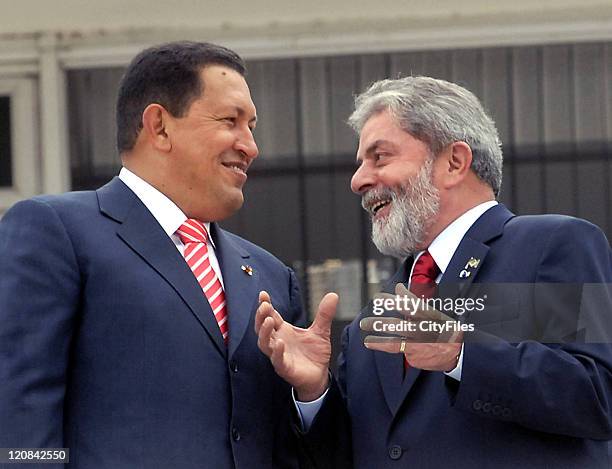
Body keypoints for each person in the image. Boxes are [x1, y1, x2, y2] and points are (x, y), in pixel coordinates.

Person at [255, 76, 612, 468]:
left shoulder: (546, 246)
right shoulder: (369, 326)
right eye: (360, 163)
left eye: (380, 157)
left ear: (454, 162)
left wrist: (460, 353)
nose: (358, 180)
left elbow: (598, 397)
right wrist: (314, 391)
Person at [0, 41, 305, 469]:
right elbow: (19, 410)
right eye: (231, 121)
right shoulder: (58, 231)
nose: (250, 146)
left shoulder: (271, 276)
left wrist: (314, 394)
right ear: (159, 126)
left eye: (251, 126)